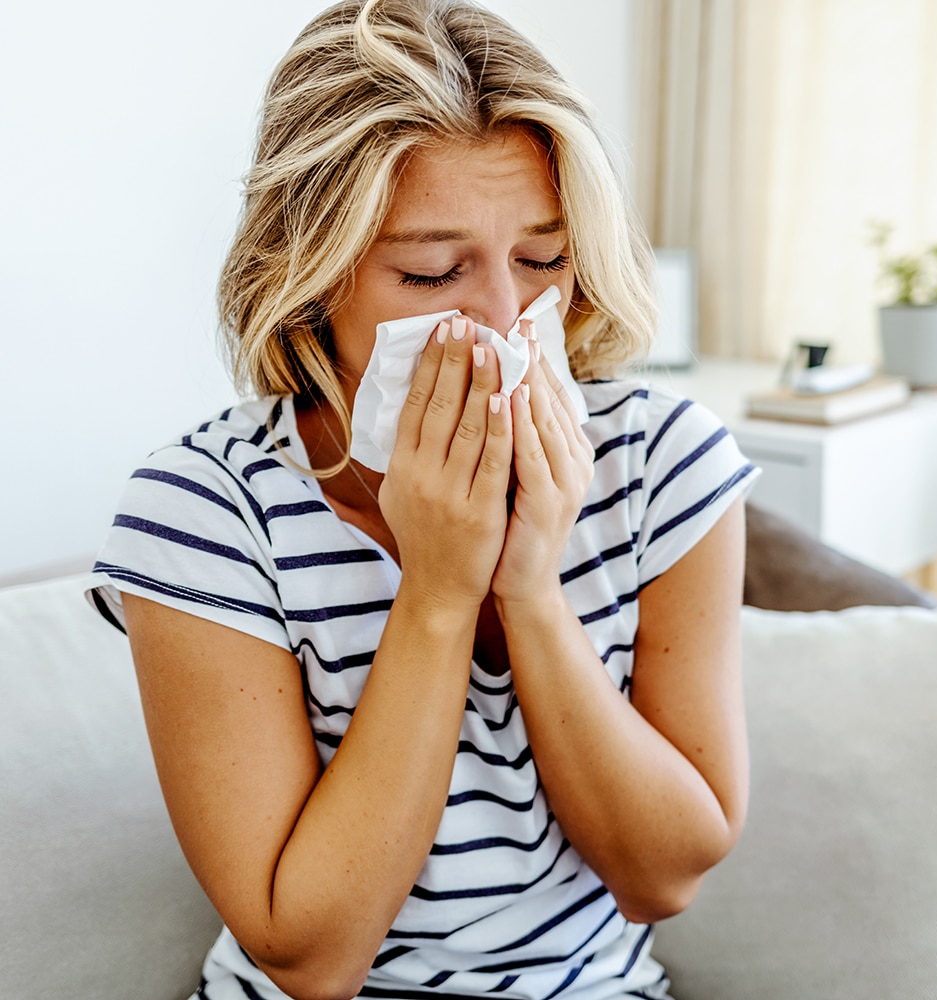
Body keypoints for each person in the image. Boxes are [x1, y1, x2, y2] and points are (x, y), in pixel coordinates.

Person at [88, 2, 759, 998]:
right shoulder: (203, 511)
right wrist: (440, 590)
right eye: (431, 270)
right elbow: (310, 957)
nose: (500, 318)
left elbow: (663, 874)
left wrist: (528, 587)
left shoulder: (665, 463)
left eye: (541, 258)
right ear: (307, 277)